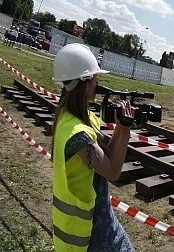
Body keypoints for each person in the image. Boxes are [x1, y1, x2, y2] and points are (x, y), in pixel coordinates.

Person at [51, 43, 136, 252]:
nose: (98, 84)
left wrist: (120, 125)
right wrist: (124, 131)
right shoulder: (77, 135)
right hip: (88, 232)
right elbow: (113, 171)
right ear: (85, 82)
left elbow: (108, 154)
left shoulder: (74, 118)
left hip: (99, 219)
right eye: (96, 79)